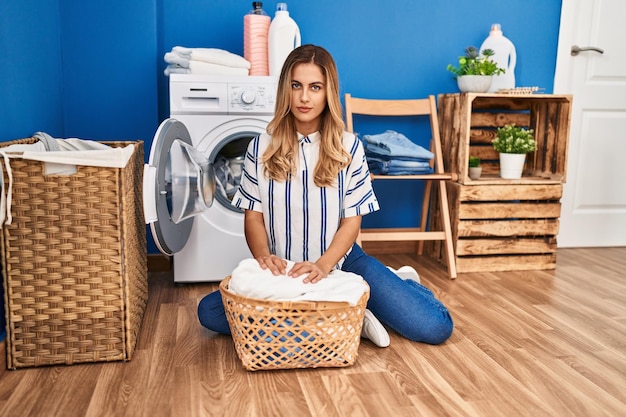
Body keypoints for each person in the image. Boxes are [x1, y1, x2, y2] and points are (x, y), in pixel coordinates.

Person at [197, 44, 453, 347]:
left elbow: (351, 223)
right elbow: (254, 216)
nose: (305, 97)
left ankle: (397, 285)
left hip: (344, 263)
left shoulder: (349, 147)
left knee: (435, 328)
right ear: (285, 91)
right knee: (210, 312)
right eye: (296, 86)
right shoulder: (260, 147)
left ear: (327, 92)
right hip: (286, 273)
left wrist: (322, 266)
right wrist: (264, 258)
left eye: (315, 87)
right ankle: (352, 319)